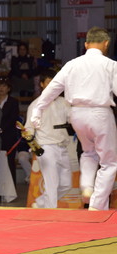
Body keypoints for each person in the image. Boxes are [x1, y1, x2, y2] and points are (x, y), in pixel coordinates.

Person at [30, 27, 117, 211]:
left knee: (88, 152)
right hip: (100, 113)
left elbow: (52, 89)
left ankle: (86, 186)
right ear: (106, 43)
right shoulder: (110, 65)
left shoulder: (72, 64)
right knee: (109, 162)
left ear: (86, 44)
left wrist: (38, 109)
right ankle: (96, 204)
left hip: (77, 114)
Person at [24, 69, 72, 208]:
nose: (52, 86)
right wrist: (34, 147)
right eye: (48, 83)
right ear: (42, 84)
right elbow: (28, 129)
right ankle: (50, 213)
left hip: (62, 146)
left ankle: (40, 203)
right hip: (46, 147)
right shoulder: (35, 105)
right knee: (52, 183)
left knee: (66, 184)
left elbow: (74, 119)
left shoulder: (64, 102)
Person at [0, 78, 20, 184]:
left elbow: (13, 119)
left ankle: (12, 188)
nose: (1, 88)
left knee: (9, 162)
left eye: (4, 86)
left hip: (8, 137)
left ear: (8, 89)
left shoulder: (13, 102)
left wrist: (1, 129)